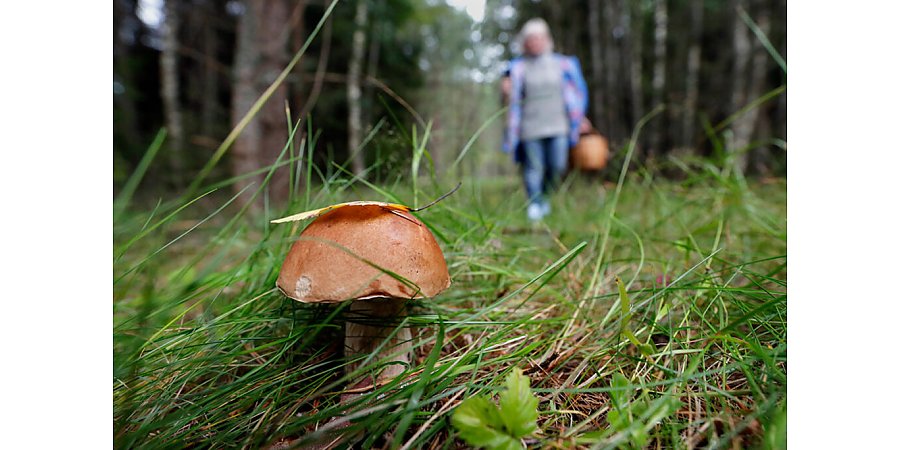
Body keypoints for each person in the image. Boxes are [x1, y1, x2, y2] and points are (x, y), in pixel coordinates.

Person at [502, 18, 589, 222]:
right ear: (524, 42)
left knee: (557, 165)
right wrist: (505, 91)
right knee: (534, 168)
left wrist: (581, 118)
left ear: (547, 39)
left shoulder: (564, 64)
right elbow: (508, 97)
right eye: (530, 39)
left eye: (539, 38)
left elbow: (576, 95)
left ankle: (545, 198)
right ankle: (534, 203)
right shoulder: (516, 67)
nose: (535, 42)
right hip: (529, 126)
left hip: (559, 124)